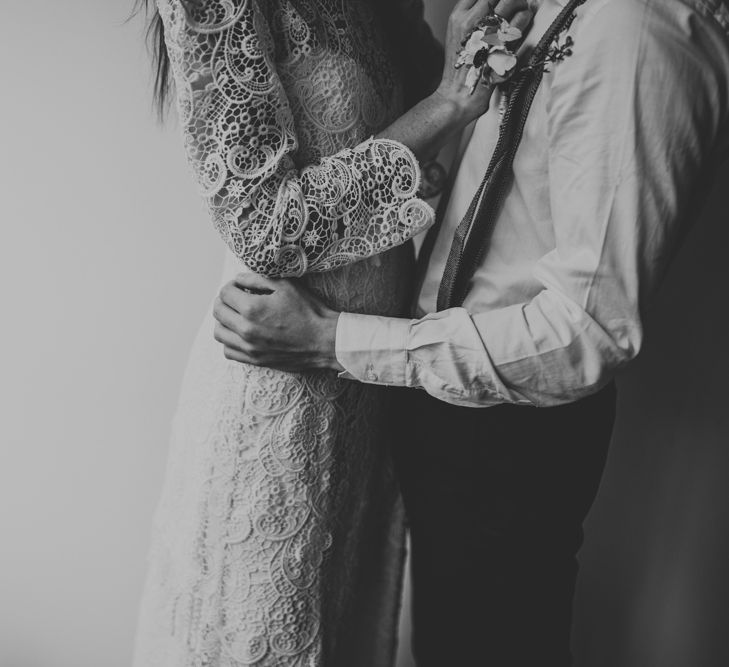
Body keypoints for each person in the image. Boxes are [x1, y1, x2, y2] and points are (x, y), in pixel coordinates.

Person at [212, 0, 729, 664]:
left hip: (511, 431)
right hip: (445, 402)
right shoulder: (553, 13)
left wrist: (332, 340)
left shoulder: (635, 32)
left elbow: (587, 329)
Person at [132, 0, 534, 665]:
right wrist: (446, 105)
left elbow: (445, 131)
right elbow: (263, 225)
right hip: (276, 386)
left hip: (367, 384)